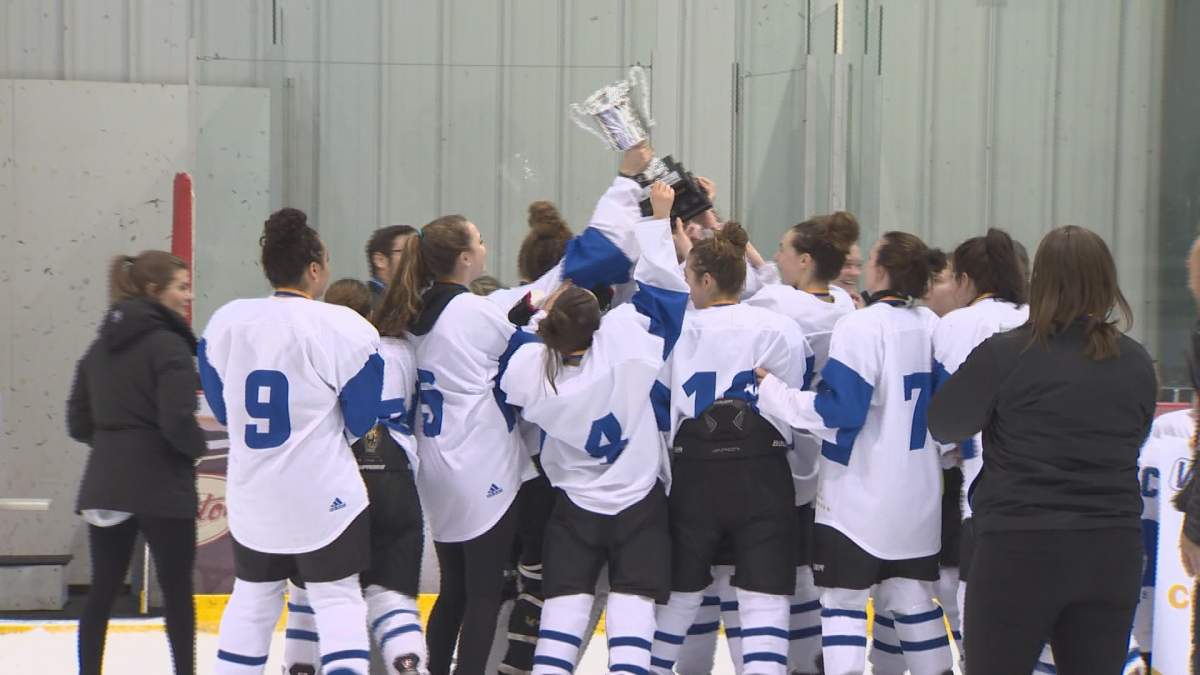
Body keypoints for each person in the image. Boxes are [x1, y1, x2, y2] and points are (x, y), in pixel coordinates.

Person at [929, 225, 1156, 675]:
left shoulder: (1007, 354)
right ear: (1107, 280)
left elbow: (943, 423)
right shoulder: (1136, 361)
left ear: (1041, 282)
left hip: (1020, 546)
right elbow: (1138, 430)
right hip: (1110, 548)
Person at [500, 181, 688, 675]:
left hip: (575, 508)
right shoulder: (625, 342)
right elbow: (667, 292)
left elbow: (516, 341)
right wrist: (657, 220)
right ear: (599, 318)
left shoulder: (531, 373)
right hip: (638, 503)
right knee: (632, 620)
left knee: (562, 622)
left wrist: (531, 310)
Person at [754, 232, 952, 675]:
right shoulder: (932, 325)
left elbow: (839, 412)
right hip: (919, 497)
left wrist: (774, 392)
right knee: (914, 600)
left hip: (857, 498)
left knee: (842, 602)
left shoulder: (861, 326)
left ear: (880, 270)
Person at [200, 208, 383, 675]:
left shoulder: (226, 322)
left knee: (253, 599)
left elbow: (224, 411)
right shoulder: (344, 326)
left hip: (253, 494)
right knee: (337, 599)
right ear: (315, 268)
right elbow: (363, 417)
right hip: (324, 495)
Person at [649, 222, 811, 675]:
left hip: (693, 476)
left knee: (679, 597)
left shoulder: (674, 330)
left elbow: (660, 412)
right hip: (762, 473)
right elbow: (792, 403)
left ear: (705, 279)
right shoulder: (779, 327)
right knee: (762, 604)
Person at [67, 251, 204, 675]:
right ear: (153, 290)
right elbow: (176, 420)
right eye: (181, 286)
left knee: (102, 591)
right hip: (162, 484)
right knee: (177, 593)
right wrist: (197, 448)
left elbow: (77, 421)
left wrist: (116, 444)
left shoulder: (98, 348)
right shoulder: (171, 346)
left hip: (106, 481)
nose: (188, 294)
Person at [283, 277, 426, 675]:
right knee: (391, 595)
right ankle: (406, 660)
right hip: (394, 472)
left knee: (312, 595)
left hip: (330, 476)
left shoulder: (310, 349)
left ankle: (301, 666)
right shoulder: (402, 351)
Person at [744, 212, 860, 675]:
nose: (775, 256)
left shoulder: (775, 304)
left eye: (783, 249)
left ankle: (786, 662)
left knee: (773, 574)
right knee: (809, 570)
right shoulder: (844, 306)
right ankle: (810, 662)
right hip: (823, 454)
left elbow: (725, 292)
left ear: (806, 259)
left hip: (779, 448)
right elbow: (774, 278)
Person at [930, 227, 1029, 664]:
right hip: (1046, 501)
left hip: (985, 502)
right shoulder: (1037, 318)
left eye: (951, 276)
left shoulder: (958, 325)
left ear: (968, 280)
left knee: (981, 636)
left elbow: (945, 422)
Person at [367, 225, 419, 307]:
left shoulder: (414, 299)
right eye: (408, 250)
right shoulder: (365, 304)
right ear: (380, 260)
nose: (416, 257)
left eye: (418, 251)